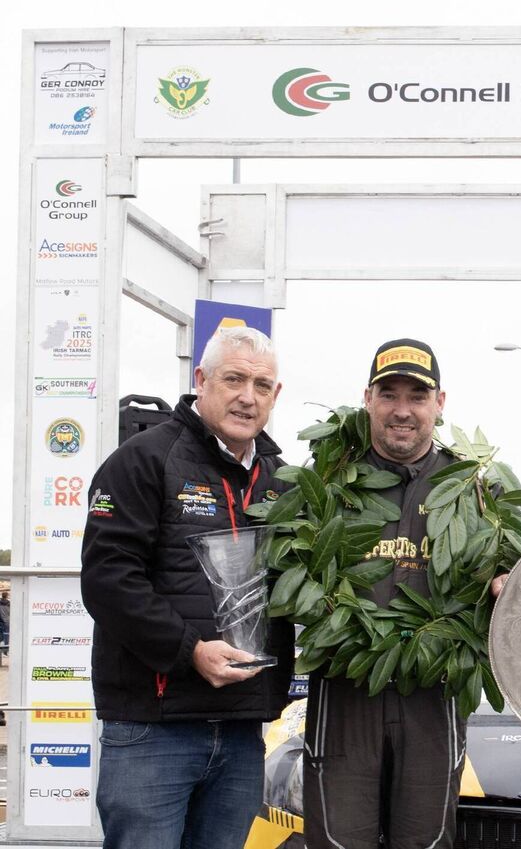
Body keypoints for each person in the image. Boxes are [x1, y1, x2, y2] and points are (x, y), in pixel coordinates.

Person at [80, 326, 294, 849]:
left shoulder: (283, 481)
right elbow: (108, 579)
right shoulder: (143, 459)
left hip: (243, 729)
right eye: (234, 379)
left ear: (275, 396)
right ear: (201, 380)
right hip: (155, 727)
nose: (248, 396)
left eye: (262, 385)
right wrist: (189, 652)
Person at [304, 338, 464, 849]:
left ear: (440, 403)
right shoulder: (326, 483)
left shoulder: (476, 488)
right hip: (345, 693)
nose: (402, 410)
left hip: (433, 697)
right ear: (366, 399)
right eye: (388, 393)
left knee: (426, 841)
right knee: (337, 840)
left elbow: (515, 580)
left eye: (417, 396)